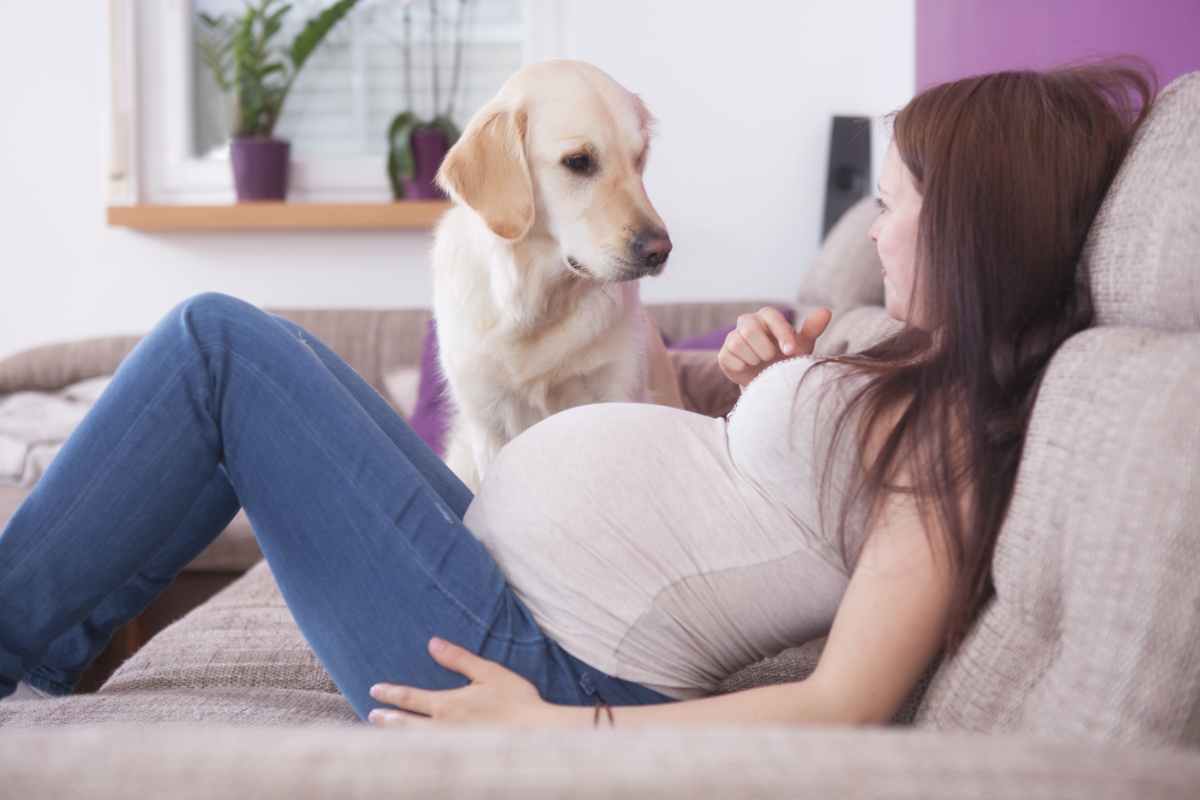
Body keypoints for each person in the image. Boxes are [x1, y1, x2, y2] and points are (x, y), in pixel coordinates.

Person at [0, 58, 1156, 729]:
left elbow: (844, 702)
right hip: (501, 573)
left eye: (894, 202)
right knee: (253, 349)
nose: (875, 224)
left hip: (540, 659)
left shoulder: (956, 436)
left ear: (968, 229)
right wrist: (745, 376)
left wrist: (565, 729)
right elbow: (741, 498)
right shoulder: (905, 358)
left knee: (217, 348)